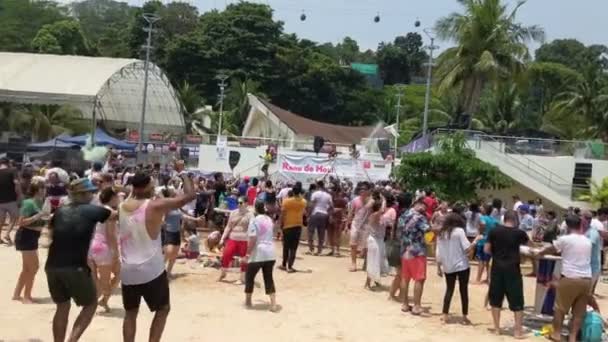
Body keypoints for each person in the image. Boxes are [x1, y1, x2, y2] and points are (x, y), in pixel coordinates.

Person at [119, 168, 196, 342]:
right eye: (151, 184)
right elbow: (190, 196)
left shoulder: (122, 206)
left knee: (130, 313)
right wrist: (183, 172)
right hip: (151, 269)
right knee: (163, 309)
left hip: (128, 270)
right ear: (146, 186)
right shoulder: (153, 205)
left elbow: (132, 192)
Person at [45, 178, 115, 342]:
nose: (92, 195)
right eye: (90, 192)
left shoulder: (60, 211)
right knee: (90, 305)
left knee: (62, 307)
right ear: (83, 194)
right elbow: (113, 214)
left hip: (52, 265)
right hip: (75, 266)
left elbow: (52, 230)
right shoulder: (91, 210)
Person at [535, 214, 592, 342]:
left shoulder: (565, 239)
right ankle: (572, 337)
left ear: (567, 226)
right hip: (586, 279)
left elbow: (551, 248)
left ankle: (556, 334)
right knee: (578, 312)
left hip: (570, 278)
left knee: (560, 308)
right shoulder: (587, 241)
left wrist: (539, 253)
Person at [484, 210, 528, 339]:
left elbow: (486, 249)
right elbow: (530, 247)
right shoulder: (520, 233)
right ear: (515, 219)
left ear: (505, 219)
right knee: (517, 300)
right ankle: (518, 331)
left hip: (497, 267)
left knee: (496, 298)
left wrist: (497, 255)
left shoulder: (494, 231)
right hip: (513, 269)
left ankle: (497, 328)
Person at [436, 213, 477, 324]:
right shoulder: (459, 231)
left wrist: (438, 267)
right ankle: (464, 317)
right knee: (463, 291)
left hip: (448, 265)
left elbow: (438, 251)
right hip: (461, 265)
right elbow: (467, 249)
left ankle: (445, 314)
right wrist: (476, 240)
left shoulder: (441, 233)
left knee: (449, 290)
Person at [12, 181, 48, 304]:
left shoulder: (40, 202)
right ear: (38, 190)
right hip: (26, 237)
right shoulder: (29, 203)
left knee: (27, 268)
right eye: (43, 188)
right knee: (33, 267)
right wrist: (37, 216)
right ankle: (27, 296)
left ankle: (17, 294)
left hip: (32, 237)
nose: (45, 190)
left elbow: (40, 221)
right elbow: (21, 222)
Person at [88, 187, 121, 313]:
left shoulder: (97, 209)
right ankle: (98, 302)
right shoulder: (111, 212)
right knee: (109, 279)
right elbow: (110, 234)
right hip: (104, 247)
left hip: (93, 245)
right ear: (112, 198)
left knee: (97, 280)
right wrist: (115, 252)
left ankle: (102, 301)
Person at [398, 199, 431, 315]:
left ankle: (405, 304)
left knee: (405, 278)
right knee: (420, 279)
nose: (424, 209)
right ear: (418, 204)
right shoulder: (420, 217)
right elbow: (428, 230)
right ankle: (416, 306)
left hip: (404, 250)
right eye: (424, 206)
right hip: (417, 251)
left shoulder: (403, 215)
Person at [161, 187, 202, 278]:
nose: (176, 195)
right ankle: (160, 270)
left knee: (174, 254)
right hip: (169, 232)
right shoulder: (167, 206)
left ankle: (168, 272)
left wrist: (196, 219)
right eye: (174, 194)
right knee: (169, 252)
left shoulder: (176, 207)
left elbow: (183, 217)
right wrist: (162, 224)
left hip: (176, 232)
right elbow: (162, 219)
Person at [244, 201, 278, 312]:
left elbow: (253, 239)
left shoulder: (254, 221)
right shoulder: (269, 220)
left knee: (249, 276)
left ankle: (248, 301)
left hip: (258, 252)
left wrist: (247, 254)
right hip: (270, 252)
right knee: (268, 277)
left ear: (255, 209)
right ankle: (273, 303)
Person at [219, 197, 254, 282]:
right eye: (238, 202)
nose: (238, 204)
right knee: (226, 254)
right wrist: (222, 238)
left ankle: (242, 277)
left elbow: (252, 229)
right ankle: (223, 272)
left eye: (241, 203)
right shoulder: (233, 213)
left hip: (244, 239)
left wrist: (251, 241)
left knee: (244, 258)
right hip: (233, 237)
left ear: (246, 204)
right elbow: (228, 226)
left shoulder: (250, 215)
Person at [278, 183, 306, 272]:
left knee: (286, 246)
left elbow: (282, 214)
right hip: (298, 225)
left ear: (292, 192)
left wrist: (280, 225)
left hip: (287, 225)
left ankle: (283, 265)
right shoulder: (303, 202)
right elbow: (305, 213)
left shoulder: (286, 201)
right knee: (294, 247)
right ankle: (290, 267)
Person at [347, 182, 371, 272]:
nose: (362, 190)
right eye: (361, 189)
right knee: (353, 244)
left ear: (368, 190)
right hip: (356, 224)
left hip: (367, 225)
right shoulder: (355, 200)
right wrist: (347, 225)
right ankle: (353, 263)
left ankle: (366, 263)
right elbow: (351, 212)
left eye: (364, 189)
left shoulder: (371, 201)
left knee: (366, 246)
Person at [365, 195, 386, 289]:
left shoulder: (379, 216)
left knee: (378, 261)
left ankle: (376, 279)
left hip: (379, 240)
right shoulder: (374, 215)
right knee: (372, 261)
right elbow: (382, 210)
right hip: (374, 240)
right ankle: (367, 283)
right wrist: (384, 199)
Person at [307, 180, 333, 255]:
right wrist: (329, 214)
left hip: (315, 213)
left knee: (310, 231)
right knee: (321, 233)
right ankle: (319, 250)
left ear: (318, 186)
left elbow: (312, 205)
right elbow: (331, 207)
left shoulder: (315, 194)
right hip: (324, 214)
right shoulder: (328, 195)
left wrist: (308, 215)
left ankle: (311, 248)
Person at [0, 157, 21, 244]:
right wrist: (19, 195)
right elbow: (16, 182)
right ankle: (7, 234)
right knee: (14, 218)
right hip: (11, 199)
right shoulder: (12, 170)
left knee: (1, 220)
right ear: (8, 163)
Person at [476, 204, 498, 284]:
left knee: (481, 260)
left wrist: (480, 232)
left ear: (485, 210)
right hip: (491, 242)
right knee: (488, 261)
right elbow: (498, 226)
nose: (480, 208)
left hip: (482, 242)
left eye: (482, 207)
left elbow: (482, 225)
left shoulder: (482, 218)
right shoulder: (493, 220)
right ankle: (488, 279)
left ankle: (478, 279)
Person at [327, 185, 348, 257]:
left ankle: (335, 250)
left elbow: (345, 210)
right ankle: (334, 250)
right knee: (333, 235)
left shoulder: (341, 200)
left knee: (334, 235)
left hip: (337, 219)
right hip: (334, 218)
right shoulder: (332, 199)